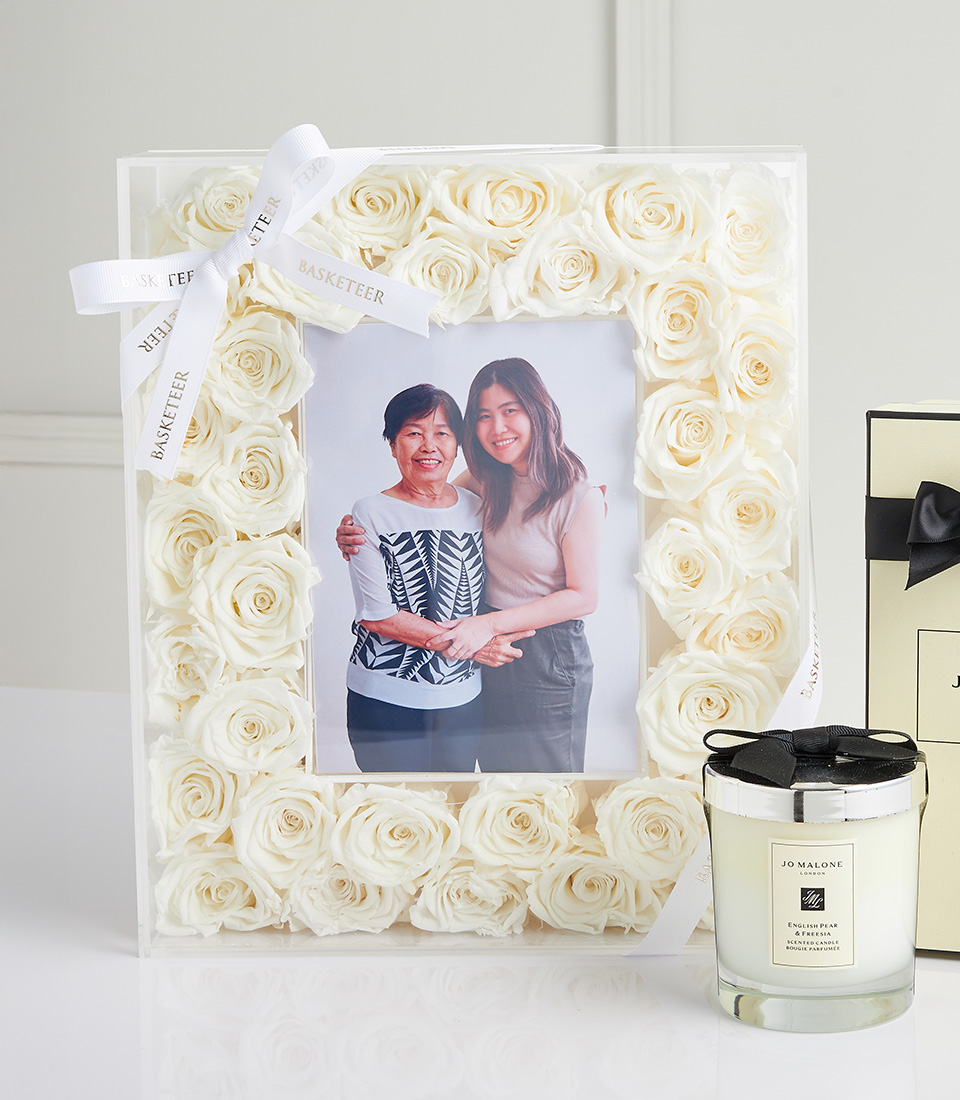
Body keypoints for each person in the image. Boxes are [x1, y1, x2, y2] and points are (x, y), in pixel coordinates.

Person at [340, 360, 603, 772]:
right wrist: (355, 531)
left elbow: (584, 596)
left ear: (539, 409)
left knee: (545, 786)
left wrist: (487, 629)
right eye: (483, 415)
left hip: (541, 650)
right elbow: (422, 502)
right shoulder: (485, 479)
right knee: (491, 787)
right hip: (477, 653)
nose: (497, 427)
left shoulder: (577, 495)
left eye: (510, 410)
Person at [343, 383, 530, 773]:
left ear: (458, 445)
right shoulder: (370, 513)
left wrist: (585, 501)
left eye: (442, 433)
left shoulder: (479, 508)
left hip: (462, 700)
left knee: (452, 810)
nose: (429, 445)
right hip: (384, 700)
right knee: (393, 816)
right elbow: (377, 615)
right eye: (413, 433)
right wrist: (472, 647)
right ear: (392, 445)